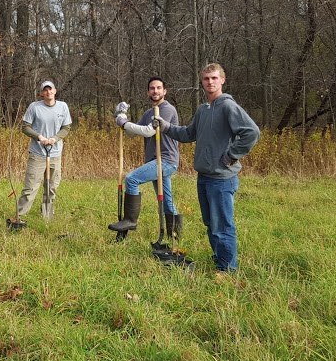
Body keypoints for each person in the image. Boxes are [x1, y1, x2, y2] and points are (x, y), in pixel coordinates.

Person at [154, 63, 259, 274]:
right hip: (204, 176)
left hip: (222, 178)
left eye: (214, 78)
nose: (210, 82)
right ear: (202, 82)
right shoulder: (203, 110)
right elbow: (187, 134)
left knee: (222, 225)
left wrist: (230, 156)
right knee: (211, 223)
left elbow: (252, 132)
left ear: (222, 80)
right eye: (206, 79)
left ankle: (227, 270)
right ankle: (219, 259)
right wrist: (165, 126)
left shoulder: (228, 107)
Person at [108, 77, 181, 241]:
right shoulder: (148, 113)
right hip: (155, 161)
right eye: (152, 88)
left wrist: (124, 123)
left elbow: (149, 131)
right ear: (148, 91)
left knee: (131, 179)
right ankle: (174, 237)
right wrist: (122, 117)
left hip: (166, 160)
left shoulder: (167, 109)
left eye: (159, 88)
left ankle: (130, 220)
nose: (155, 91)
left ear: (164, 91)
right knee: (167, 201)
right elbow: (132, 133)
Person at [8, 80, 73, 228]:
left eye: (50, 90)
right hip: (37, 154)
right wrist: (40, 137)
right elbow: (25, 127)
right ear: (41, 93)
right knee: (30, 187)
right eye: (45, 90)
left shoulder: (63, 107)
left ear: (55, 91)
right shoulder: (34, 107)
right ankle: (19, 217)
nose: (48, 92)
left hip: (55, 154)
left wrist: (54, 139)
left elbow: (66, 128)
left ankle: (47, 215)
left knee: (51, 186)